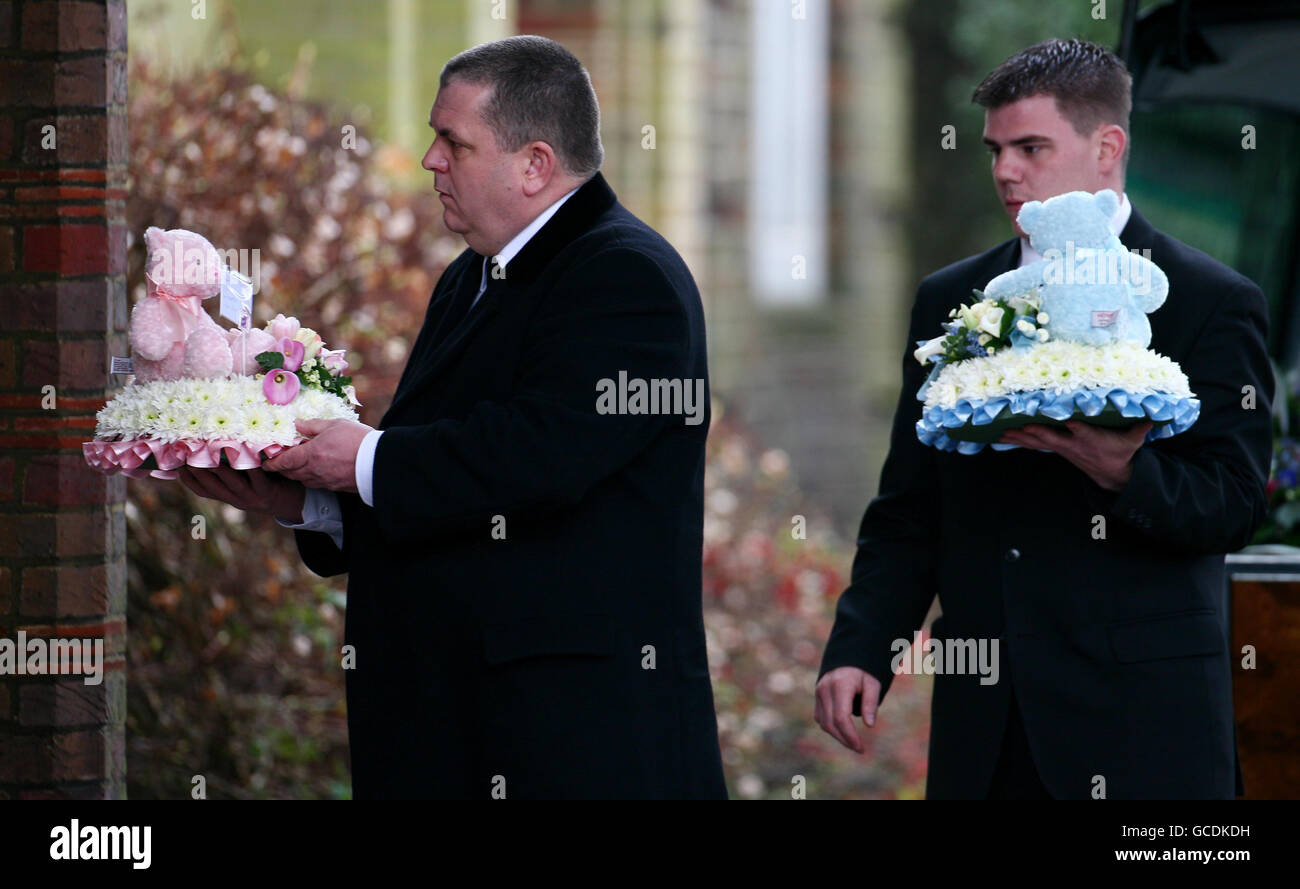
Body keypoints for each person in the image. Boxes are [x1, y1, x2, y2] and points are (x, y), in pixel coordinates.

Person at [179, 35, 727, 799]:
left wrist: (364, 460)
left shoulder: (626, 275)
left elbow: (541, 458)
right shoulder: (472, 272)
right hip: (459, 729)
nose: (431, 159)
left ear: (534, 165)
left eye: (453, 142)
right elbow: (456, 490)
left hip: (573, 743)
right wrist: (310, 499)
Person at [814, 38, 1273, 799]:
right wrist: (862, 645)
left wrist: (1128, 470)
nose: (1004, 170)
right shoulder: (949, 301)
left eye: (1030, 146)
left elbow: (1234, 503)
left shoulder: (1209, 300)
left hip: (1143, 734)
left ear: (1107, 148)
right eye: (995, 149)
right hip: (987, 729)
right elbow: (909, 506)